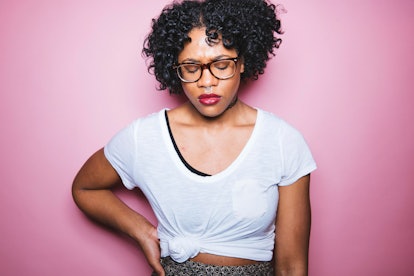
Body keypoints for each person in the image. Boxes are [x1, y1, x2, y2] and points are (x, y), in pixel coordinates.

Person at [72, 0, 317, 275]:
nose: (207, 81)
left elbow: (292, 266)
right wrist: (140, 231)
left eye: (221, 64)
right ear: (175, 69)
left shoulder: (283, 142)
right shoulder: (145, 137)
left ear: (244, 62)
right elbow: (85, 188)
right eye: (191, 67)